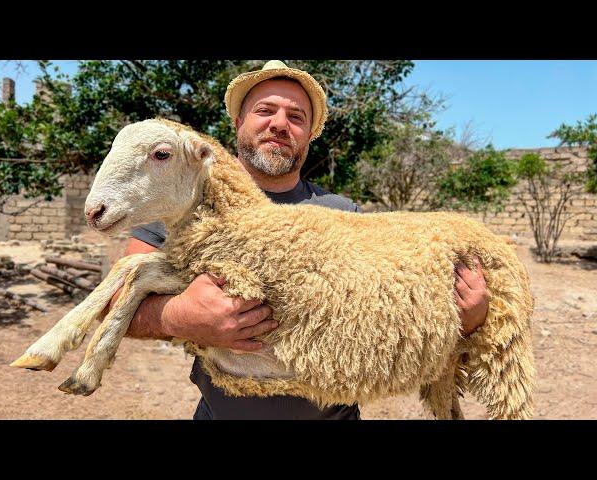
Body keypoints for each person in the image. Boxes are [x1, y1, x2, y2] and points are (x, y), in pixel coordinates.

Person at [107, 60, 490, 420]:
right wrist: (179, 317)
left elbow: (392, 316)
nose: (279, 124)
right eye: (265, 111)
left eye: (296, 117)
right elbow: (114, 304)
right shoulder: (185, 208)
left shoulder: (344, 214)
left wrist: (466, 317)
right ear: (238, 121)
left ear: (309, 134)